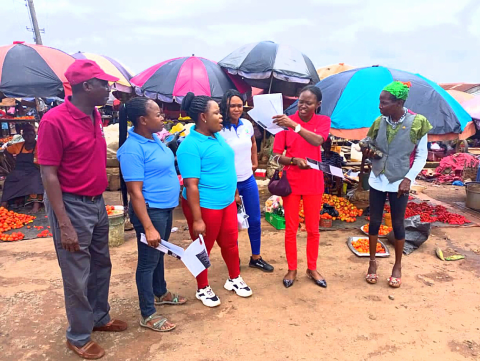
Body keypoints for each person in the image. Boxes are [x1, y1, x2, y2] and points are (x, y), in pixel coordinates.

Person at [38, 59, 127, 360]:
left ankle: (99, 317)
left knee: (101, 265)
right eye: (104, 84)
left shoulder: (95, 116)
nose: (109, 88)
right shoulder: (54, 121)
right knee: (76, 272)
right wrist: (63, 223)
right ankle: (78, 335)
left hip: (96, 202)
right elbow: (48, 175)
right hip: (72, 205)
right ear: (87, 86)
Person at [177, 92, 253, 308]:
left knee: (230, 243)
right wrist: (197, 219)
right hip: (205, 205)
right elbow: (190, 185)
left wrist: (235, 193)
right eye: (217, 113)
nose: (221, 116)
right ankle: (202, 288)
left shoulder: (217, 136)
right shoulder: (190, 146)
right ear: (203, 117)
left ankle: (234, 278)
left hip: (227, 201)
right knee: (203, 248)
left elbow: (226, 166)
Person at [117, 97, 186, 332]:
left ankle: (160, 292)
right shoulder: (131, 150)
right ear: (143, 120)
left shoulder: (155, 139)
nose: (162, 117)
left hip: (165, 209)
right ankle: (147, 313)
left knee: (159, 254)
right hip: (151, 212)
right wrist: (148, 226)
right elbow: (135, 193)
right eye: (157, 114)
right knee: (147, 262)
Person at [364, 81, 432, 288]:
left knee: (398, 224)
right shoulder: (379, 121)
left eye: (384, 103)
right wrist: (368, 152)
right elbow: (369, 142)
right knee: (374, 222)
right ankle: (372, 262)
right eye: (379, 102)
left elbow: (422, 155)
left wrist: (408, 178)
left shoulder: (418, 123)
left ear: (399, 102)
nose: (380, 106)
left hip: (399, 182)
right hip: (377, 178)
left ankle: (397, 266)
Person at [272, 85, 331, 289]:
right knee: (291, 228)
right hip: (292, 183)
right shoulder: (284, 123)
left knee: (313, 229)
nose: (303, 105)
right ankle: (292, 268)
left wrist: (295, 126)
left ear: (318, 104)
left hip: (314, 182)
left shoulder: (323, 121)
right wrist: (293, 160)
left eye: (308, 102)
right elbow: (276, 155)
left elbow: (317, 140)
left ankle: (312, 268)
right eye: (301, 101)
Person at [219, 89, 274, 272]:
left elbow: (252, 143)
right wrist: (232, 189)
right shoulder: (219, 130)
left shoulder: (246, 124)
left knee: (255, 220)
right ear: (225, 107)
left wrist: (255, 161)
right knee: (232, 224)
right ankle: (234, 261)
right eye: (232, 106)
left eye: (239, 106)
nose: (236, 109)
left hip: (248, 180)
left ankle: (256, 257)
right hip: (228, 184)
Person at [1, 124, 44, 213]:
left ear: (34, 135)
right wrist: (12, 162)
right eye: (26, 135)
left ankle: (36, 205)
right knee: (10, 180)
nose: (28, 137)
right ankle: (4, 203)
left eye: (31, 135)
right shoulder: (18, 146)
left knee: (35, 181)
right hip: (19, 170)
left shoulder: (39, 145)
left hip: (34, 170)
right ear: (23, 136)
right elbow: (6, 151)